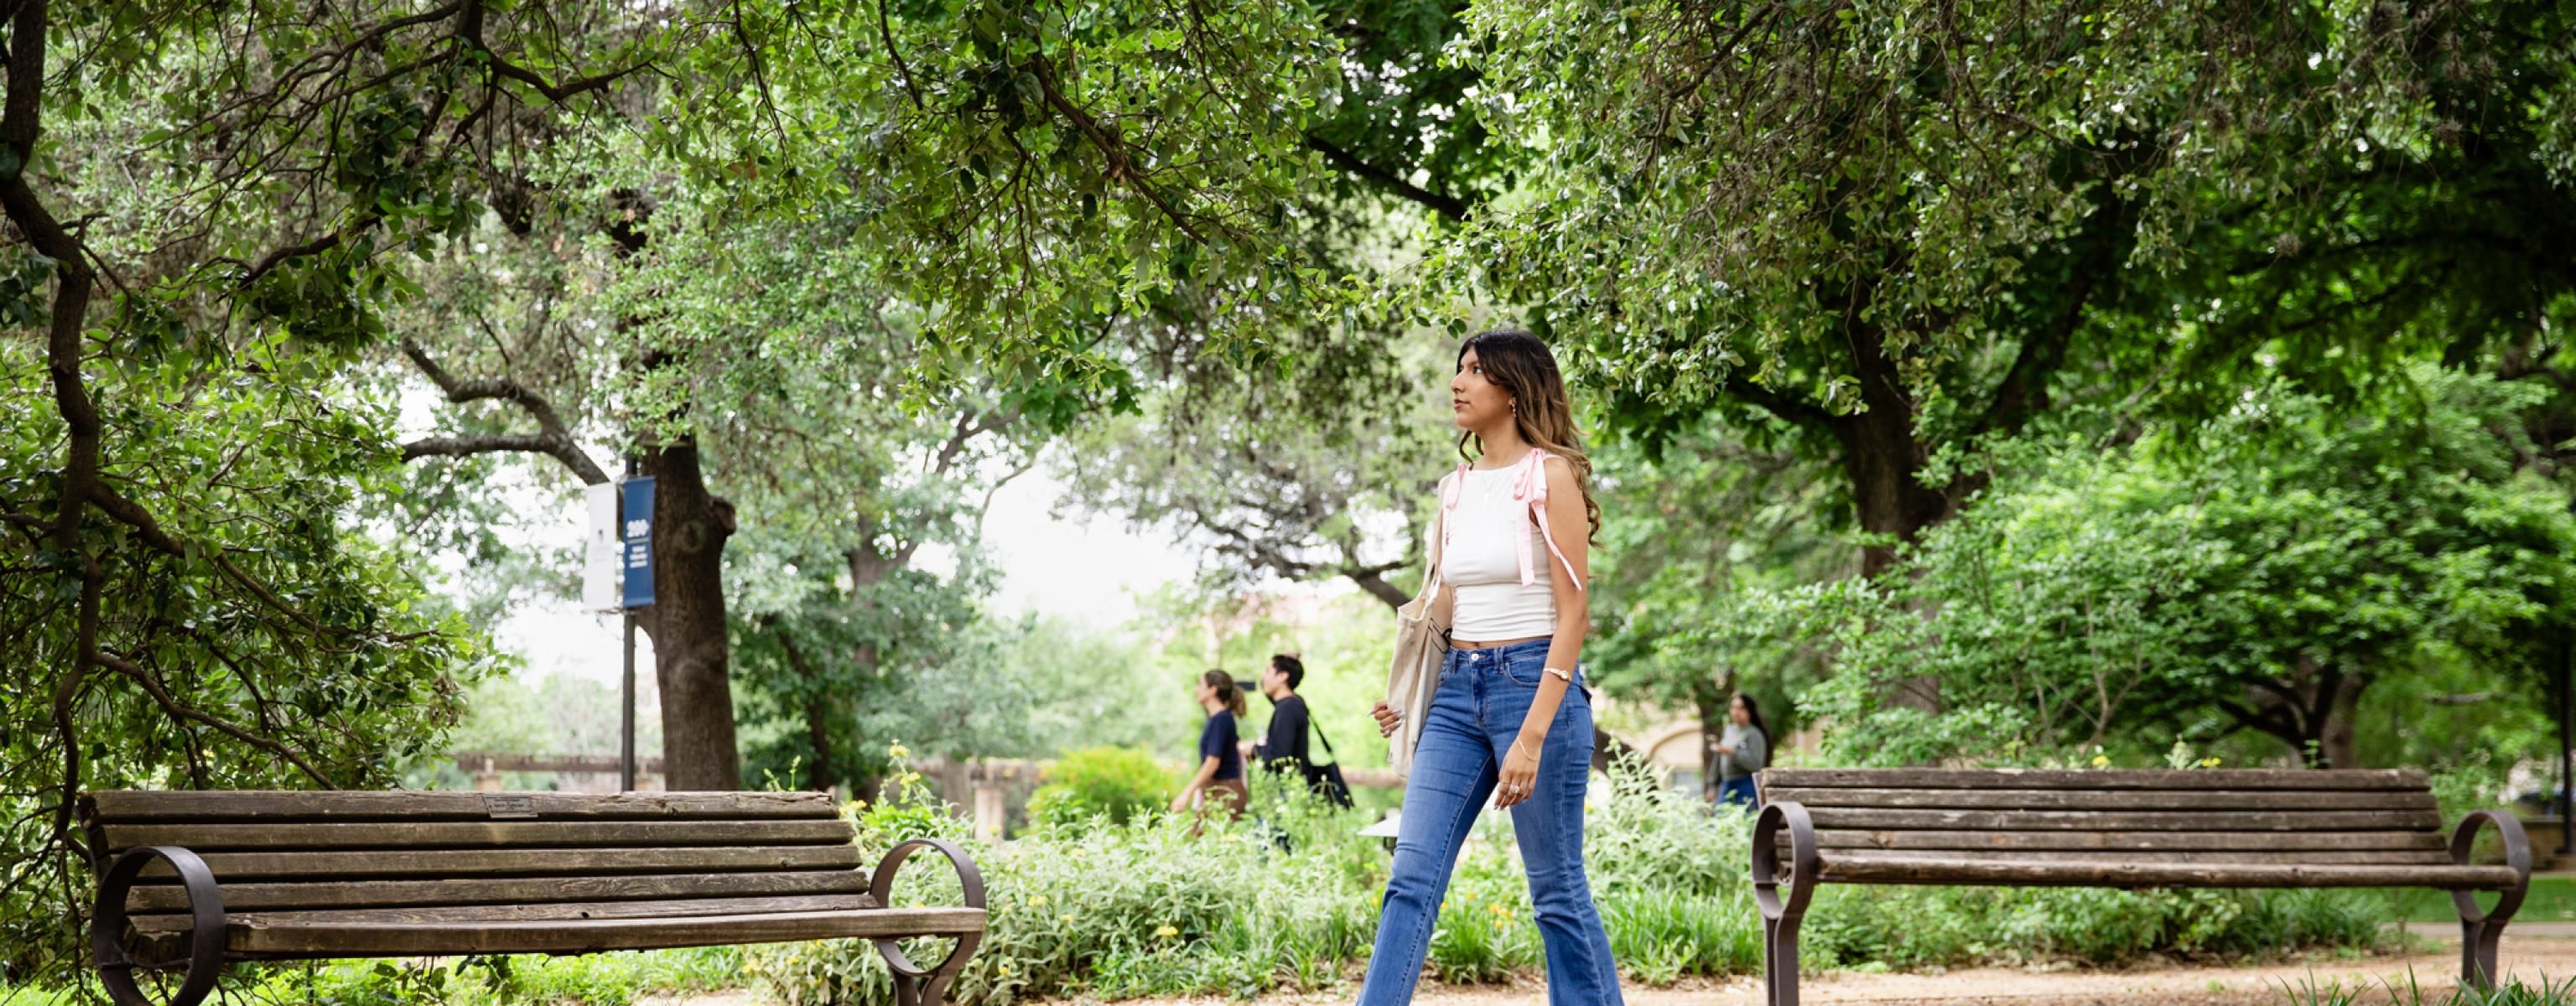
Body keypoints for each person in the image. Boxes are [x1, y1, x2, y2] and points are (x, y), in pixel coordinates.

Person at [1366, 330, 1623, 1006]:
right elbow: (1444, 604)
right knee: (1411, 877)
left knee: (1556, 892)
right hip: (1457, 694)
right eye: (1458, 370)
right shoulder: (1454, 488)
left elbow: (1574, 614)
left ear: (1512, 389)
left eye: (1475, 371)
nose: (1458, 382)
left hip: (1534, 687)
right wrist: (1407, 693)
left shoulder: (1550, 476)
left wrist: (1532, 736)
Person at [1243, 653, 1353, 807]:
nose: (1263, 677)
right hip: (1296, 787)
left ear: (1282, 676)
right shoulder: (1293, 704)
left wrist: (1252, 749)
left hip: (1291, 791)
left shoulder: (1287, 709)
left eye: (1268, 671)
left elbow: (1279, 754)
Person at [1172, 669, 1249, 822]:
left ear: (1212, 690)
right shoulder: (1216, 719)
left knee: (1205, 840)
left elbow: (1212, 762)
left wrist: (1186, 793)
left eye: (1200, 685)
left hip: (1225, 793)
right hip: (1217, 791)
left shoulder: (1221, 720)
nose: (1197, 689)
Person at [1714, 692, 1769, 809]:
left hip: (1745, 784)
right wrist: (1712, 783)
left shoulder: (1754, 734)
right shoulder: (1729, 730)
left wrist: (1733, 753)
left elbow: (1756, 764)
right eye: (1733, 707)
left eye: (1741, 708)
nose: (1736, 712)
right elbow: (1718, 759)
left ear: (1749, 711)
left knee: (1745, 821)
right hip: (1726, 783)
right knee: (1720, 817)